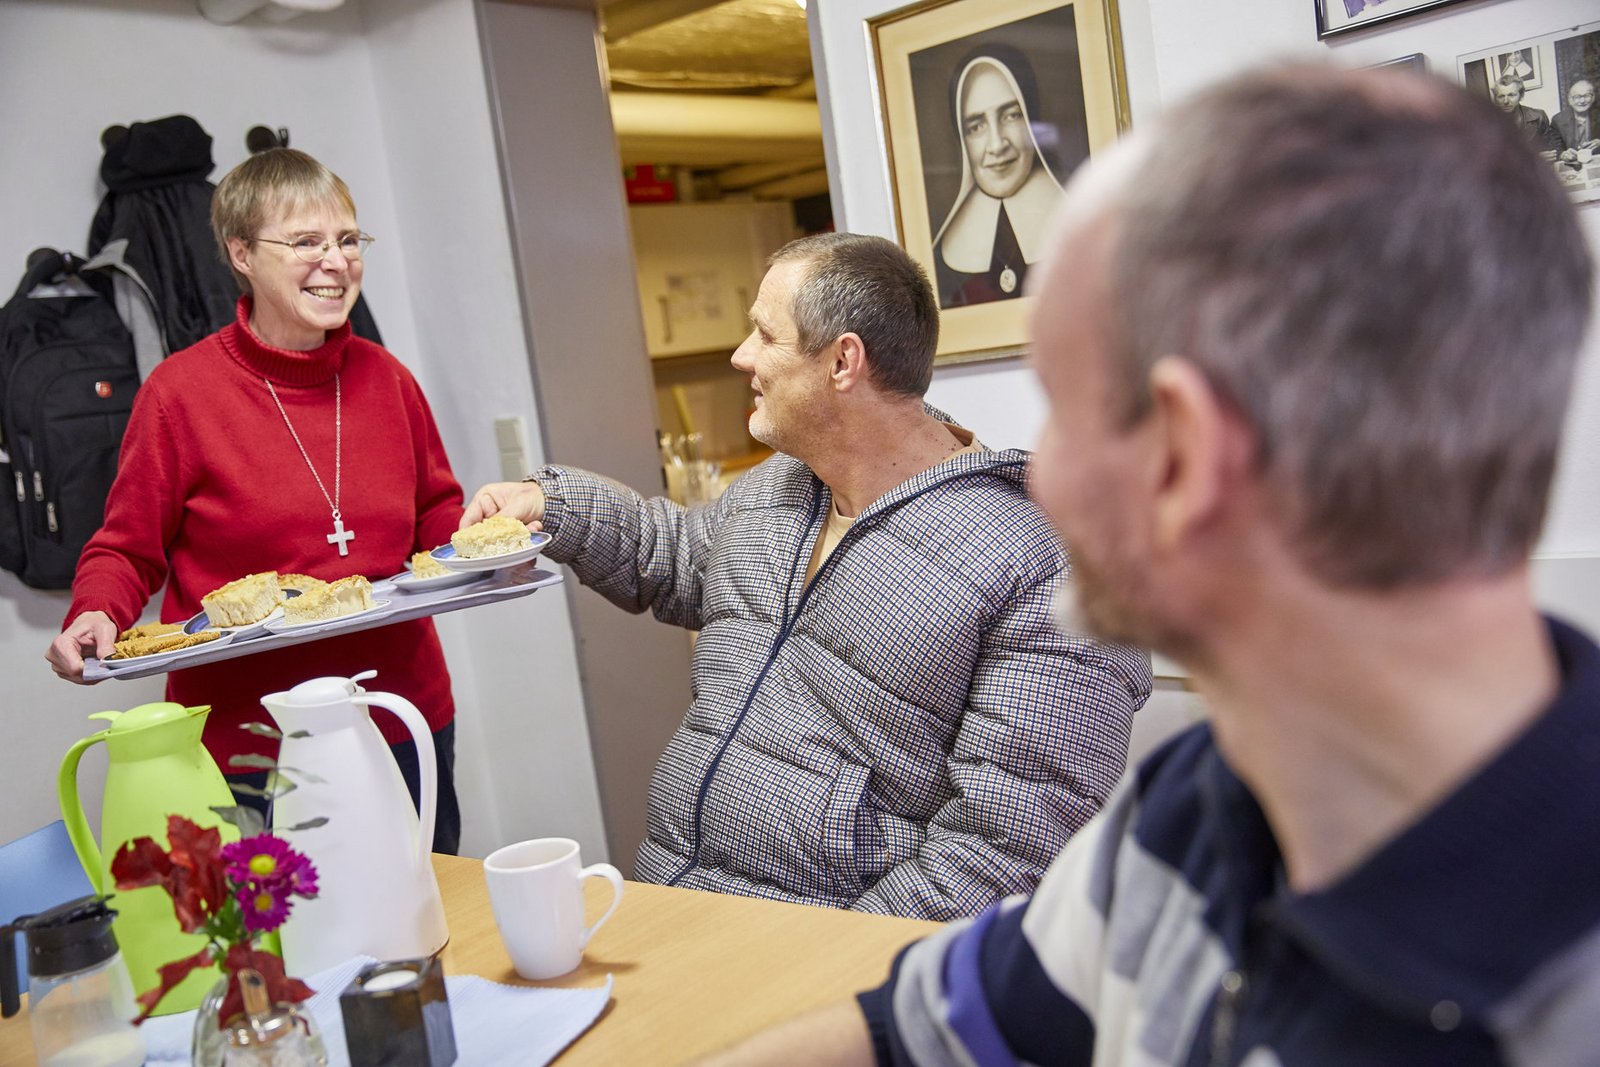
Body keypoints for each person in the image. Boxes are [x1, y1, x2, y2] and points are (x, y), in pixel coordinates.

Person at [697, 63, 1597, 1065]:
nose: (1039, 476)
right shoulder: (1189, 811)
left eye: (1061, 406)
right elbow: (909, 1028)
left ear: (1182, 458)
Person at [463, 232, 1151, 920]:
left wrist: (826, 979)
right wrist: (550, 502)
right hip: (666, 907)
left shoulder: (1049, 568)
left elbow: (1003, 851)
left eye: (765, 333)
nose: (742, 355)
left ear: (842, 362)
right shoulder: (781, 489)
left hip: (814, 965)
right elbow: (670, 552)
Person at [46, 148, 468, 854]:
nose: (335, 262)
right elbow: (125, 547)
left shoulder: (387, 377)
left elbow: (436, 519)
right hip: (248, 745)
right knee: (278, 954)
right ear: (241, 253)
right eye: (306, 242)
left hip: (398, 716)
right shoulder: (180, 395)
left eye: (346, 240)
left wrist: (483, 534)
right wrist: (96, 608)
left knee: (426, 926)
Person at [931, 49, 1078, 309]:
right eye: (976, 127)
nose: (997, 144)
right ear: (961, 140)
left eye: (1011, 115)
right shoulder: (940, 260)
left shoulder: (1080, 223)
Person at [1492, 73, 1562, 154]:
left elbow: (1553, 146)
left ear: (1521, 96)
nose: (1506, 101)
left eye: (1511, 95)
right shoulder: (1487, 123)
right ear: (1495, 99)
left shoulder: (1538, 116)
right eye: (1501, 96)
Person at [1554, 78, 1598, 160]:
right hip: (1573, 165)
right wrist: (1562, 154)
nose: (1582, 100)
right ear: (1569, 100)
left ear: (1593, 97)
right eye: (1577, 97)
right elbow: (1555, 147)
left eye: (1587, 95)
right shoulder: (1558, 120)